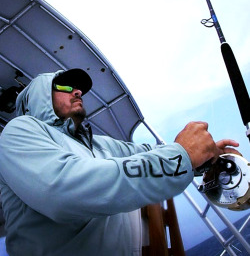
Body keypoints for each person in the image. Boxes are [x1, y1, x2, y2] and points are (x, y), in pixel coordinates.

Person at [0, 69, 239, 256]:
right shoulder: (18, 132)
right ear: (40, 95)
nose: (77, 92)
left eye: (79, 89)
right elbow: (62, 189)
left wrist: (201, 158)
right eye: (64, 86)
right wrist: (179, 157)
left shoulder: (100, 145)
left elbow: (148, 152)